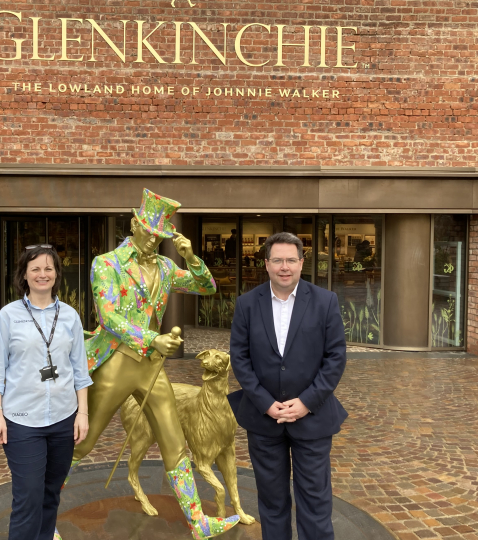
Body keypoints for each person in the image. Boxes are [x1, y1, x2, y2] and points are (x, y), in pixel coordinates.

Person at [60, 189, 240, 540]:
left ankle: (199, 523)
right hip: (116, 363)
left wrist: (191, 257)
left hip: (152, 368)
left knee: (175, 445)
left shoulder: (165, 267)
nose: (153, 241)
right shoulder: (107, 263)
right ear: (134, 225)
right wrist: (152, 338)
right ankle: (39, 518)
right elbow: (108, 316)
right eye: (149, 233)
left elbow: (208, 287)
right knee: (82, 442)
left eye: (161, 237)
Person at [228, 231, 348, 540]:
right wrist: (266, 404)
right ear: (266, 264)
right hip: (264, 421)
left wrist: (306, 402)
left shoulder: (325, 301)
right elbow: (240, 359)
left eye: (291, 260)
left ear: (301, 263)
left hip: (313, 419)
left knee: (315, 502)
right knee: (272, 501)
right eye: (278, 260)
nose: (285, 267)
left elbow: (335, 358)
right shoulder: (246, 304)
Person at [0, 245, 92, 540]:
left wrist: (82, 413)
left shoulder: (70, 316)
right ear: (24, 275)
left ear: (56, 274)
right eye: (35, 269)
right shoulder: (9, 316)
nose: (42, 274)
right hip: (22, 421)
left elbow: (80, 371)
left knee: (50, 495)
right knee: (28, 498)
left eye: (48, 268)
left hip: (63, 419)